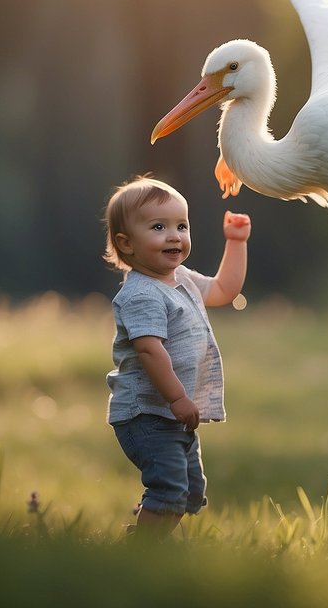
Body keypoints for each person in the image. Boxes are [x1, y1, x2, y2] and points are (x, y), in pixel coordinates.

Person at [102, 175, 251, 539]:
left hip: (172, 413)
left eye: (181, 225)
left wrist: (236, 242)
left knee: (188, 493)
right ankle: (144, 552)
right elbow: (150, 350)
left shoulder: (179, 277)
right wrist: (178, 398)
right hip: (149, 415)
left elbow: (222, 290)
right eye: (158, 227)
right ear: (127, 244)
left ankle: (147, 536)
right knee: (169, 491)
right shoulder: (142, 294)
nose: (175, 235)